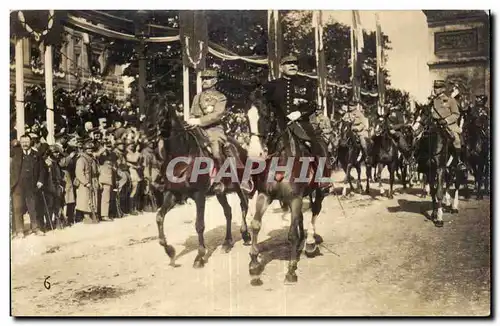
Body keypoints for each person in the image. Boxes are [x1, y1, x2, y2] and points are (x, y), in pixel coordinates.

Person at [262, 55, 332, 186]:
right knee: (260, 146)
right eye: (288, 63)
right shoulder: (271, 86)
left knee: (318, 144)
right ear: (281, 67)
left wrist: (299, 113)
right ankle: (254, 180)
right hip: (277, 124)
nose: (292, 65)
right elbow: (263, 105)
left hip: (301, 124)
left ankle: (323, 178)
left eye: (294, 63)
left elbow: (312, 105)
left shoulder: (306, 83)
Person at [186, 69, 252, 193]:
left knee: (216, 151)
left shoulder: (220, 97)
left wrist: (199, 121)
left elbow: (217, 114)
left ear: (215, 81)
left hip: (214, 129)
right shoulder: (197, 97)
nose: (205, 81)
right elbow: (193, 113)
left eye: (208, 78)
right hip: (198, 128)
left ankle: (219, 180)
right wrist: (191, 120)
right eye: (203, 79)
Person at [10, 134, 46, 238]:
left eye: (27, 142)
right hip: (18, 186)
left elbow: (42, 170)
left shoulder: (36, 155)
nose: (25, 144)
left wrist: (40, 181)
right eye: (22, 142)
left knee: (33, 208)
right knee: (18, 208)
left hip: (32, 185)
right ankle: (19, 230)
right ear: (19, 143)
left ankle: (35, 228)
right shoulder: (15, 153)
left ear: (31, 142)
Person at [431, 80, 465, 170]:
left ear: (443, 89)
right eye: (434, 87)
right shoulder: (432, 101)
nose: (435, 89)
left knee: (456, 139)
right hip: (435, 125)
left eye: (437, 88)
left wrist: (446, 120)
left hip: (449, 125)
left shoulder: (450, 100)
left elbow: (456, 114)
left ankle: (458, 161)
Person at [75, 141, 100, 223]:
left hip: (93, 180)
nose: (90, 150)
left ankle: (93, 214)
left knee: (93, 198)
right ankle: (86, 216)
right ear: (84, 149)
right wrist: (86, 182)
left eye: (91, 149)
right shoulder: (81, 159)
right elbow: (79, 173)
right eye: (88, 149)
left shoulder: (93, 159)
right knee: (85, 199)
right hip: (85, 182)